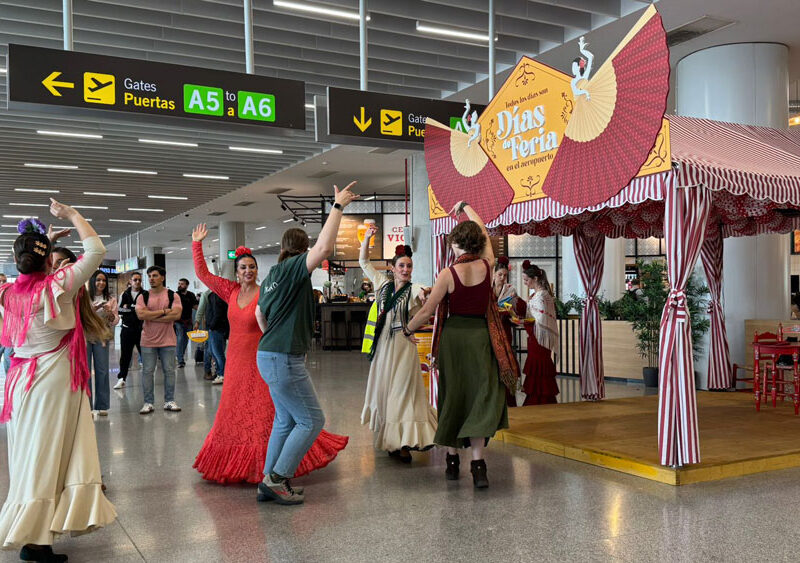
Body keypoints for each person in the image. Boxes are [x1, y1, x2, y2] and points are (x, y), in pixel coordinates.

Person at [0, 203, 116, 561]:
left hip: (20, 381)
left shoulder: (7, 293)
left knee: (30, 456)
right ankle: (36, 540)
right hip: (51, 382)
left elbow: (31, 266)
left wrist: (44, 244)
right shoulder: (58, 285)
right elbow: (96, 250)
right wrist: (72, 216)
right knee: (47, 456)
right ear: (49, 261)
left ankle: (35, 533)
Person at [192, 226, 348, 490]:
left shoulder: (267, 289)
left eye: (251, 267)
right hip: (238, 365)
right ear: (236, 271)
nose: (248, 271)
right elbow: (203, 274)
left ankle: (270, 469)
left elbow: (273, 320)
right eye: (243, 267)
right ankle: (265, 472)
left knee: (272, 416)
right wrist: (197, 245)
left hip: (265, 360)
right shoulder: (229, 291)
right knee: (241, 416)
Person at [255, 181, 358, 505]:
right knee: (312, 420)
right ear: (302, 249)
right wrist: (337, 207)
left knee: (285, 420)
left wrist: (276, 333)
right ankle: (276, 478)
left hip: (269, 354)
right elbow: (325, 250)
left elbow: (260, 313)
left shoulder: (271, 276)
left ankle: (268, 478)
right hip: (284, 358)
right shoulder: (291, 269)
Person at [405, 201, 517, 489]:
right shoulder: (488, 266)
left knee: (453, 396)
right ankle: (479, 466)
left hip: (453, 339)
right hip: (481, 337)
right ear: (478, 244)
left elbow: (428, 310)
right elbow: (484, 231)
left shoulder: (447, 274)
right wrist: (467, 207)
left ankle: (452, 461)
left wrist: (406, 328)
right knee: (480, 396)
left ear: (455, 244)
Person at [359, 230, 437, 463]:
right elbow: (364, 261)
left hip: (403, 348)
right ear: (392, 267)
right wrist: (366, 239)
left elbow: (423, 294)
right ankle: (391, 439)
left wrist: (425, 293)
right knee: (385, 392)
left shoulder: (414, 289)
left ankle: (402, 442)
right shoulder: (381, 284)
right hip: (382, 347)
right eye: (401, 266)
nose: (405, 270)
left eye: (409, 266)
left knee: (401, 393)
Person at [135, 266, 182, 414]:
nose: (151, 279)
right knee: (147, 372)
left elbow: (176, 315)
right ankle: (148, 402)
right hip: (148, 341)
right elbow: (141, 315)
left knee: (169, 371)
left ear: (162, 277)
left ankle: (169, 400)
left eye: (155, 276)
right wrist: (163, 312)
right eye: (149, 276)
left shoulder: (173, 295)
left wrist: (151, 315)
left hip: (168, 340)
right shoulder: (143, 296)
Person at [517, 262, 560, 405]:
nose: (525, 283)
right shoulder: (537, 294)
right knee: (538, 366)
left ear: (535, 278)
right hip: (536, 337)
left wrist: (523, 322)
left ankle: (539, 400)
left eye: (526, 280)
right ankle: (539, 398)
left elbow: (540, 320)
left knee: (539, 365)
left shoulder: (542, 295)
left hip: (540, 339)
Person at [86, 270, 118, 415]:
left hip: (101, 337)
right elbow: (79, 316)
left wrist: (110, 313)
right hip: (85, 336)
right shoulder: (84, 297)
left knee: (102, 370)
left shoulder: (111, 299)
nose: (101, 283)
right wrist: (94, 309)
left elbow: (115, 320)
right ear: (92, 281)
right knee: (85, 371)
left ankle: (103, 405)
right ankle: (87, 406)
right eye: (98, 280)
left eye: (104, 280)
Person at [116, 272, 144, 389]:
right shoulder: (125, 294)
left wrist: (131, 308)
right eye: (135, 280)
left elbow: (145, 311)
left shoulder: (145, 294)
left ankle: (148, 378)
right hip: (127, 329)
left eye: (139, 280)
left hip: (141, 330)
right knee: (125, 355)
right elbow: (120, 310)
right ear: (130, 281)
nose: (137, 282)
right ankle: (122, 378)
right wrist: (133, 310)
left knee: (145, 355)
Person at [196, 288, 228, 385]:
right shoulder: (216, 294)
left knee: (217, 353)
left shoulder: (215, 295)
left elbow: (217, 313)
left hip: (216, 328)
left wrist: (211, 326)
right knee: (215, 352)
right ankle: (219, 373)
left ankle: (221, 374)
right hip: (218, 328)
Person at [174, 278, 197, 368]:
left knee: (186, 340)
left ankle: (180, 356)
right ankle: (180, 360)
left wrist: (203, 311)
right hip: (178, 321)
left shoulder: (191, 295)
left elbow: (195, 305)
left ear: (187, 285)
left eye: (182, 284)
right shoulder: (176, 295)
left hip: (188, 321)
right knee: (180, 339)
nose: (180, 285)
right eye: (179, 283)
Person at [0, 273, 9, 374]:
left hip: (8, 337)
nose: (2, 283)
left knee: (9, 365)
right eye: (0, 281)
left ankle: (9, 388)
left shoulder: (9, 298)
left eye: (4, 281)